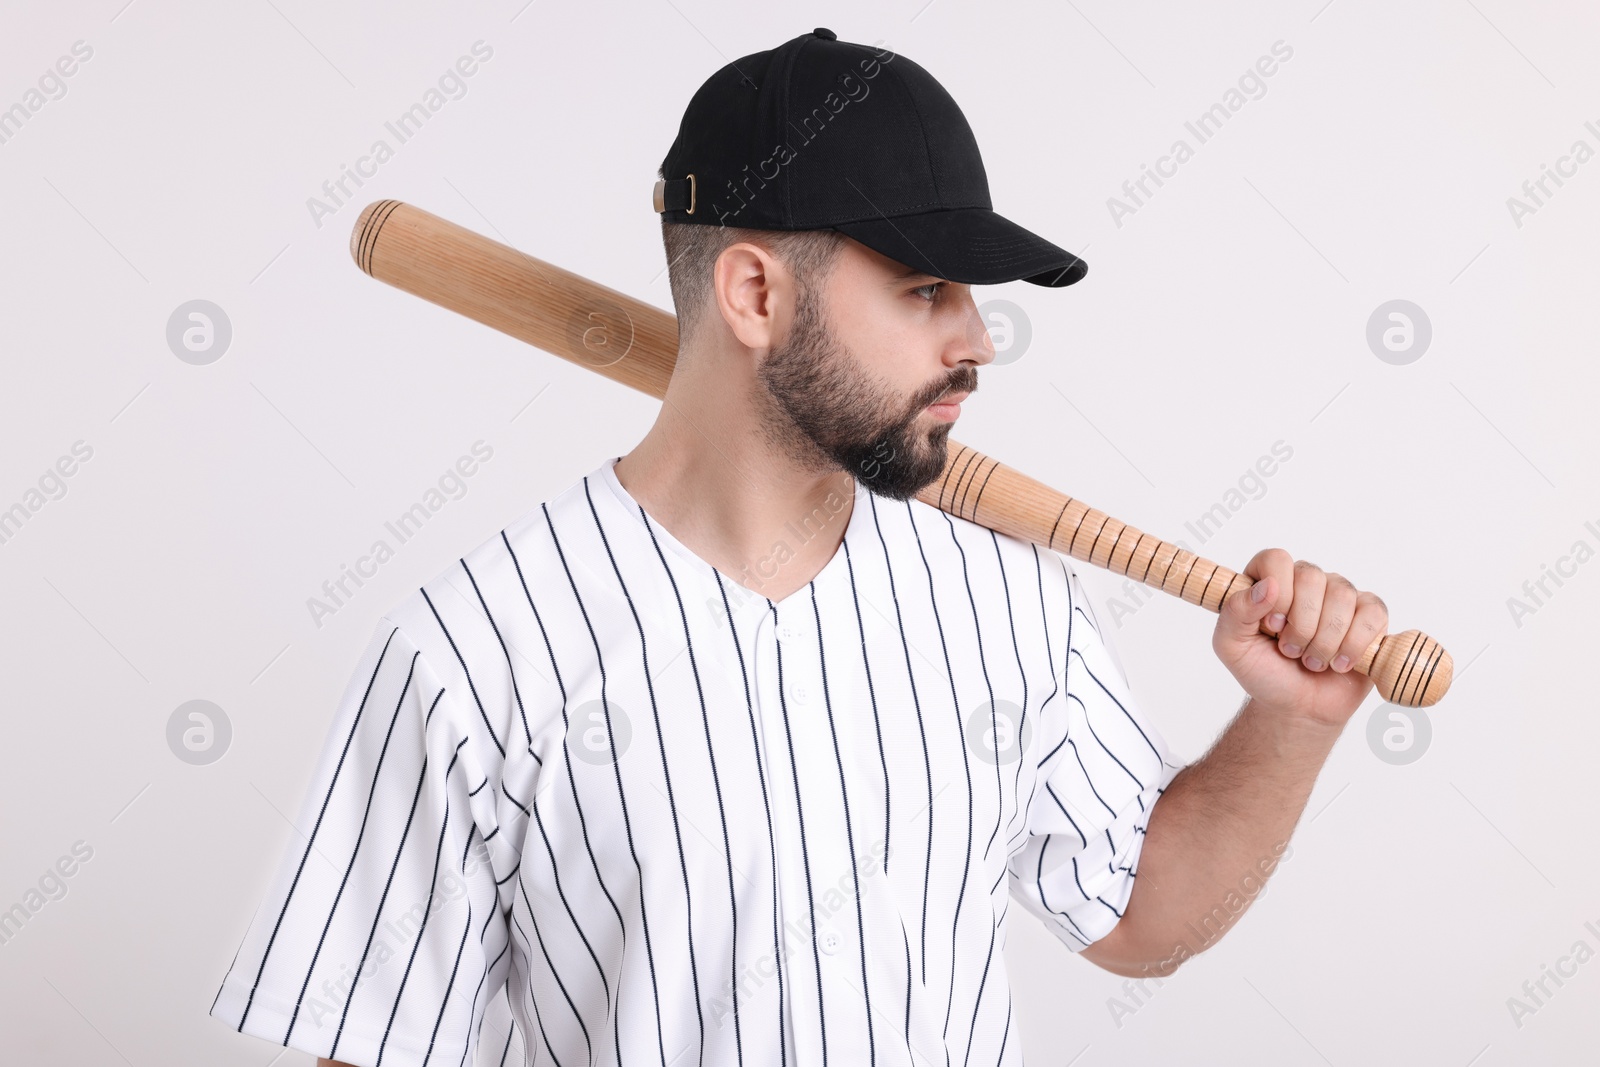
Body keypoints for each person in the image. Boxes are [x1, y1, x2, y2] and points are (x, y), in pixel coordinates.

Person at [210, 27, 1389, 1067]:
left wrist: (1291, 721)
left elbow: (1141, 919)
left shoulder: (1009, 597)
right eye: (925, 287)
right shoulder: (472, 648)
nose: (978, 336)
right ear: (754, 294)